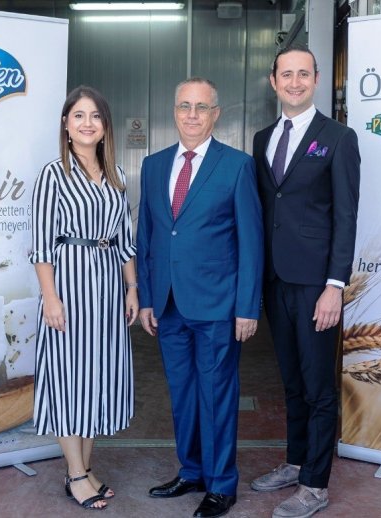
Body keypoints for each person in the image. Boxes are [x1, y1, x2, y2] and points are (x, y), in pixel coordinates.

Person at [137, 77, 263, 518]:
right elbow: (148, 236)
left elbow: (251, 243)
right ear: (174, 111)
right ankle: (191, 471)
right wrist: (147, 298)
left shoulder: (237, 166)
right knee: (183, 394)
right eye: (184, 106)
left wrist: (247, 307)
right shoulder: (153, 166)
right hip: (168, 304)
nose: (192, 115)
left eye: (201, 107)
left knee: (216, 395)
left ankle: (221, 484)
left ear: (215, 114)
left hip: (218, 306)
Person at [250, 45, 360, 517]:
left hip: (317, 284)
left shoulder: (338, 137)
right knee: (291, 380)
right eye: (286, 75)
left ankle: (315, 485)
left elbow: (346, 215)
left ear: (316, 79)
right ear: (273, 82)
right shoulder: (262, 139)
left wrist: (335, 285)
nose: (294, 82)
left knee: (318, 386)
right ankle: (296, 462)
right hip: (275, 279)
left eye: (303, 74)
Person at [29, 85, 138, 510]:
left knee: (97, 379)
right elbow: (41, 246)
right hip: (69, 289)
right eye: (79, 115)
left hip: (107, 290)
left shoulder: (117, 175)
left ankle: (86, 468)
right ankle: (75, 474)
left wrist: (132, 287)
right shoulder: (53, 175)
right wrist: (51, 299)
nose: (87, 123)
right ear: (66, 124)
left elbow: (124, 240)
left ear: (105, 125)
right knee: (68, 379)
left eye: (95, 116)